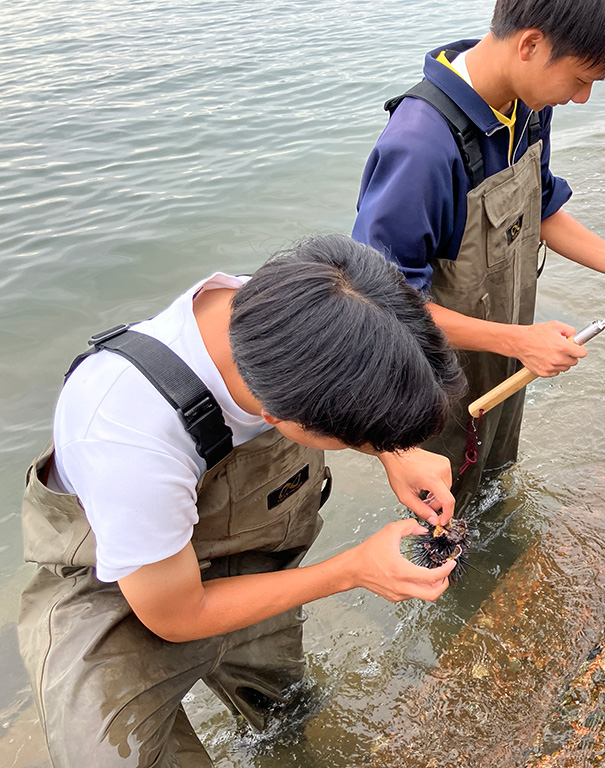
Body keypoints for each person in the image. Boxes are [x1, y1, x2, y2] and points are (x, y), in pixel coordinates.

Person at [17, 234, 466, 767]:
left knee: (287, 709)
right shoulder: (127, 436)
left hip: (250, 556)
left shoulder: (301, 311)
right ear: (279, 418)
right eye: (351, 438)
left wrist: (396, 452)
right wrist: (352, 571)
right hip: (118, 592)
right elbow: (177, 615)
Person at [352, 0, 605, 511]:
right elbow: (383, 304)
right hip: (437, 382)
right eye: (580, 79)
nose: (583, 98)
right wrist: (519, 340)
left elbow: (540, 205)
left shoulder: (528, 105)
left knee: (495, 482)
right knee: (443, 511)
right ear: (530, 45)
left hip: (506, 358)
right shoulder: (421, 147)